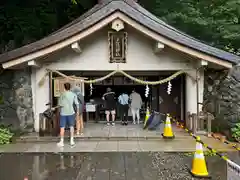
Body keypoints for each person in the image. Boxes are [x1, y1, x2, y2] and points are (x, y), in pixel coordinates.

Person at [57, 82, 79, 147]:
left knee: (62, 127)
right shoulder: (73, 94)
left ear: (64, 87)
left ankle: (62, 141)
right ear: (70, 87)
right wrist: (77, 112)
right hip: (71, 112)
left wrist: (57, 110)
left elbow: (60, 105)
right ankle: (72, 141)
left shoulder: (62, 94)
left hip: (63, 113)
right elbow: (77, 104)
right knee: (71, 126)